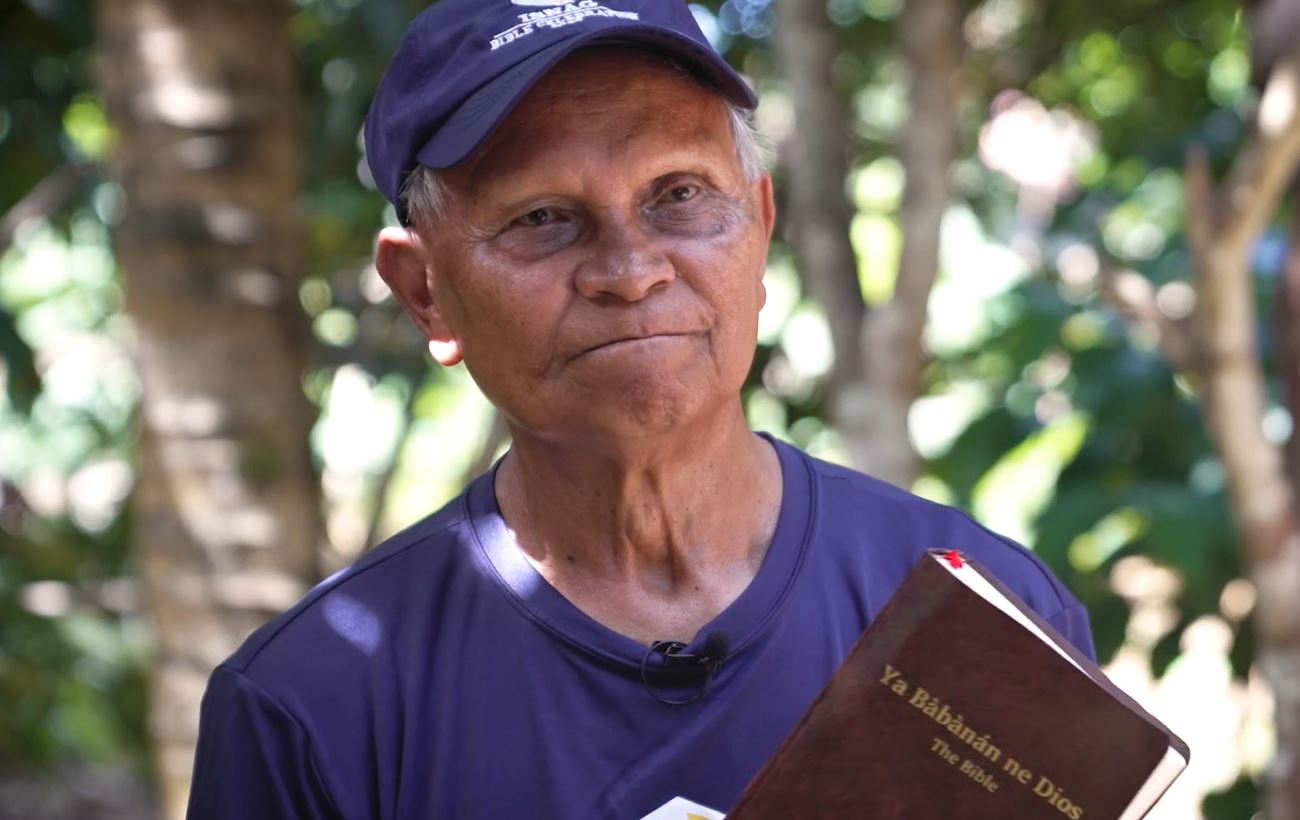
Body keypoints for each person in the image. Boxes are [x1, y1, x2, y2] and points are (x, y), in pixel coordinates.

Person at [187, 1, 1095, 818]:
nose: (630, 270)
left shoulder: (981, 617)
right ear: (425, 289)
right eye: (543, 217)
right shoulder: (314, 705)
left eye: (680, 196)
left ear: (760, 227)